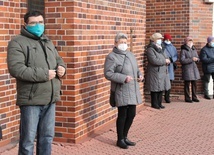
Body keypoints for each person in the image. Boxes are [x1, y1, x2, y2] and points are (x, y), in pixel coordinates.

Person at [7, 10, 66, 155]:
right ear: (25, 24)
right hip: (31, 100)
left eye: (40, 22)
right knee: (27, 141)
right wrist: (44, 74)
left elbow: (58, 60)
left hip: (50, 99)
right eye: (33, 23)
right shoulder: (17, 42)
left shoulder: (47, 41)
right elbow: (17, 69)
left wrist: (62, 68)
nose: (38, 25)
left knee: (46, 138)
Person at [104, 33, 143, 149]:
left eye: (125, 42)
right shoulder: (112, 57)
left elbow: (136, 69)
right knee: (122, 115)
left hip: (132, 89)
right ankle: (120, 139)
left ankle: (125, 136)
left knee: (131, 114)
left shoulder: (130, 55)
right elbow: (108, 73)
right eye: (121, 42)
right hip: (121, 89)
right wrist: (123, 78)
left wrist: (140, 75)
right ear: (115, 43)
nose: (123, 44)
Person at [145, 33, 171, 109]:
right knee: (155, 88)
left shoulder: (161, 48)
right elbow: (154, 60)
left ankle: (159, 103)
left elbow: (166, 57)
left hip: (162, 71)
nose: (161, 40)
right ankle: (154, 103)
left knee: (161, 88)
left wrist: (168, 60)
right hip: (155, 71)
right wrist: (164, 61)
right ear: (154, 40)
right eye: (159, 39)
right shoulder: (150, 49)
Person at [180, 36, 200, 103]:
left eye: (191, 41)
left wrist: (197, 59)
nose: (190, 42)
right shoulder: (183, 50)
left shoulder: (194, 49)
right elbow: (182, 60)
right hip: (187, 69)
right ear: (186, 42)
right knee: (187, 84)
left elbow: (198, 58)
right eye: (189, 41)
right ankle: (187, 98)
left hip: (194, 68)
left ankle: (194, 97)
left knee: (194, 83)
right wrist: (191, 59)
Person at [163, 33, 178, 103]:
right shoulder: (162, 46)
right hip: (164, 65)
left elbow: (176, 56)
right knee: (163, 82)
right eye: (167, 39)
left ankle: (167, 97)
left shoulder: (173, 47)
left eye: (169, 39)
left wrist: (172, 60)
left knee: (169, 82)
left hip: (170, 66)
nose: (168, 40)